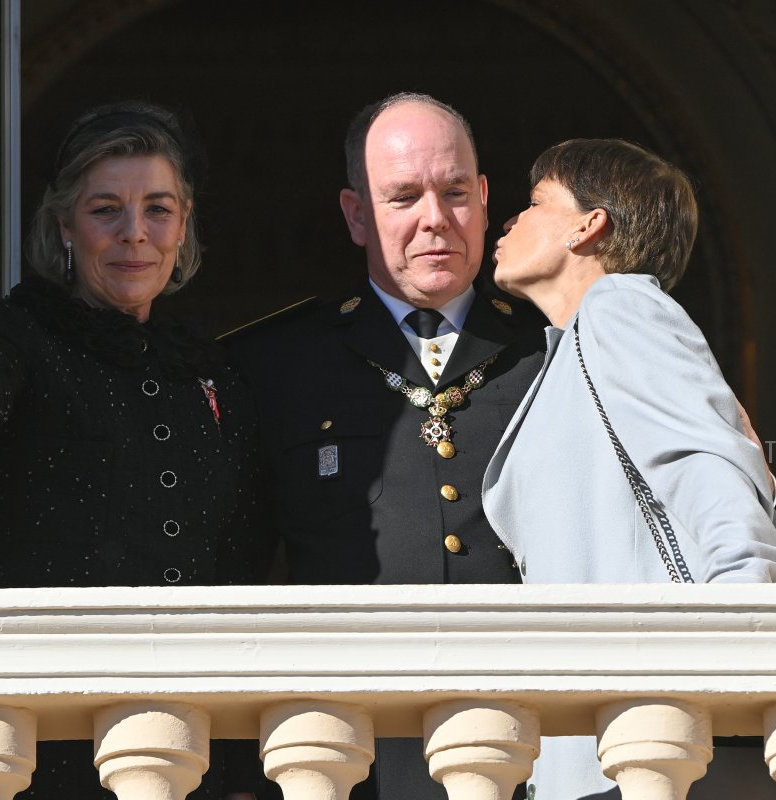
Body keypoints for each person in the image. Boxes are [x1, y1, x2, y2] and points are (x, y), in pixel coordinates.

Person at [0, 89, 268, 799]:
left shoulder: (207, 372)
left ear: (183, 225)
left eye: (158, 208)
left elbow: (244, 561)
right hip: (48, 741)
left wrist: (243, 768)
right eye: (106, 210)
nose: (135, 232)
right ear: (65, 225)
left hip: (192, 746)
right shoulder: (25, 336)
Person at [229, 93, 547, 800]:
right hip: (349, 762)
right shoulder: (278, 364)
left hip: (530, 752)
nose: (435, 218)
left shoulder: (552, 349)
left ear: (486, 198)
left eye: (455, 192)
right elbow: (237, 581)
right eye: (404, 196)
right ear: (356, 216)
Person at [483, 138, 776, 798]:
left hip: (660, 745)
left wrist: (753, 643)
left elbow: (710, 476)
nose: (510, 220)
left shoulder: (622, 308)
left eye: (535, 202)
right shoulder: (569, 353)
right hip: (602, 751)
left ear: (588, 224)